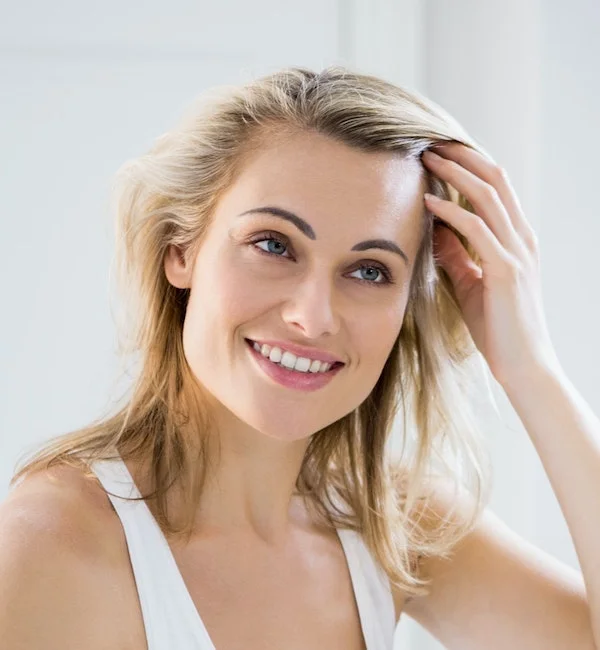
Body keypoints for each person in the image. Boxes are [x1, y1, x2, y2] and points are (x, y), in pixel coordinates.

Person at [0, 65, 598, 650]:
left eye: (370, 270)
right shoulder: (56, 544)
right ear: (181, 249)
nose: (313, 317)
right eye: (273, 244)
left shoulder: (393, 526)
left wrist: (531, 368)